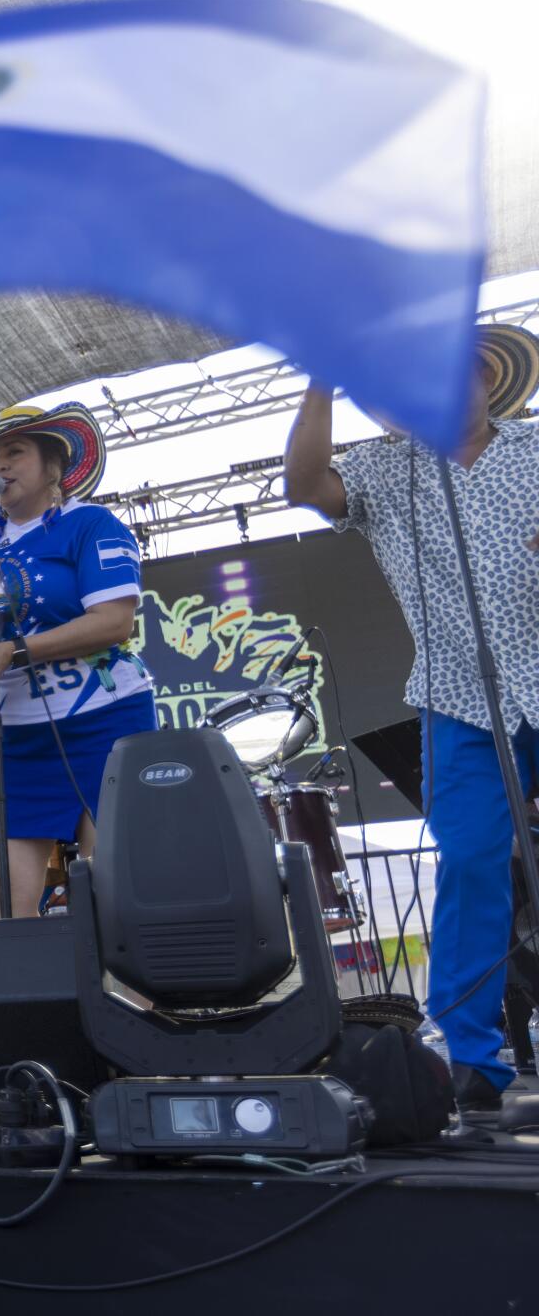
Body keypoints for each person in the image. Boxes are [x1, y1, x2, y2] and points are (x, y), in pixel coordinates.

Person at [282, 322, 539, 1114]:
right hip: (460, 697)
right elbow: (301, 483)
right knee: (469, 862)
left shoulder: (533, 452)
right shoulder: (385, 471)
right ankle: (470, 1055)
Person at [0, 403, 156, 920]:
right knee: (5, 904)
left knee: (117, 892)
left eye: (14, 452)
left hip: (105, 719)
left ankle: (131, 1002)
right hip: (17, 735)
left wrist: (15, 652)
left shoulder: (91, 523)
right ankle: (34, 1002)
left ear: (55, 467)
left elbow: (114, 622)